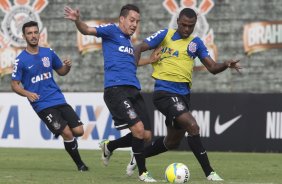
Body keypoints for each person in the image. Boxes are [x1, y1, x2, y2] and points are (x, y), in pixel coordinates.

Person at [128, 8, 242, 181]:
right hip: (164, 92)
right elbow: (139, 47)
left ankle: (139, 155)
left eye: (191, 26)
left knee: (172, 142)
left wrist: (225, 64)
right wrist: (131, 70)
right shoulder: (165, 35)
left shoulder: (195, 43)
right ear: (178, 22)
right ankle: (210, 173)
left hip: (183, 96)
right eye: (184, 25)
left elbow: (212, 67)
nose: (187, 29)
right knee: (193, 126)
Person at [64, 4, 159, 182]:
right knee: (138, 130)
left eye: (137, 22)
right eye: (132, 20)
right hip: (116, 89)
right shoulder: (110, 30)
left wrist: (149, 60)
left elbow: (131, 63)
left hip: (133, 89)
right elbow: (86, 30)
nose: (134, 24)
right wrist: (77, 20)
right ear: (121, 19)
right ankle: (143, 173)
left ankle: (110, 146)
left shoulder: (128, 42)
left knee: (146, 135)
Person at [11, 21, 88, 172]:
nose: (33, 36)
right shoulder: (21, 60)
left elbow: (61, 72)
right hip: (42, 103)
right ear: (24, 36)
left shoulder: (48, 52)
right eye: (29, 33)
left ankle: (66, 138)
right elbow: (14, 85)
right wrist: (27, 93)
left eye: (35, 32)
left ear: (39, 34)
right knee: (67, 132)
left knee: (79, 131)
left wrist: (68, 67)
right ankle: (80, 165)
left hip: (58, 98)